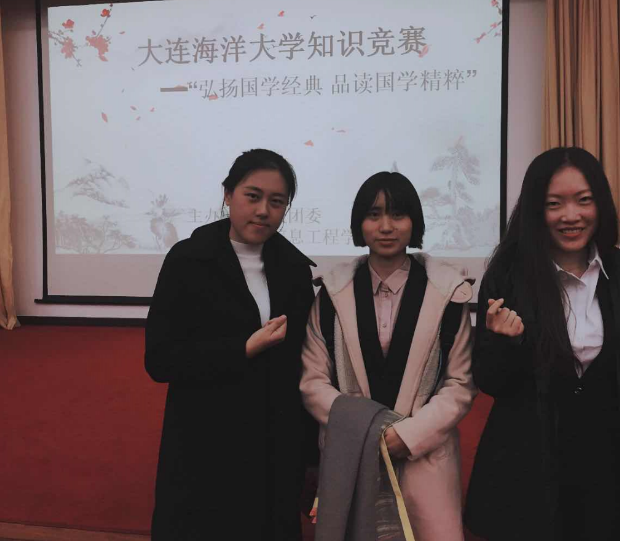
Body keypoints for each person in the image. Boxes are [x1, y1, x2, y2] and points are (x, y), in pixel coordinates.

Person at [463, 147, 620, 541]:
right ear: (535, 210)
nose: (570, 216)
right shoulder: (507, 276)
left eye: (583, 200)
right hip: (527, 474)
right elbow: (490, 382)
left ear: (601, 204)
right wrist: (506, 343)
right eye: (554, 204)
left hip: (610, 471)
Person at [144, 149, 316, 540]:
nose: (263, 211)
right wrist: (242, 349)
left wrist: (311, 455)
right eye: (252, 196)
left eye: (277, 202)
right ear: (227, 194)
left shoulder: (293, 268)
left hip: (274, 446)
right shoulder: (188, 260)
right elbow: (160, 359)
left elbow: (304, 366)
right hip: (205, 444)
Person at [300, 172, 478, 541]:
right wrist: (368, 432)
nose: (385, 226)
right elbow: (313, 381)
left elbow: (460, 383)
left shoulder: (447, 292)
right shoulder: (332, 293)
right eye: (373, 214)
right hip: (351, 455)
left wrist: (408, 435)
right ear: (359, 223)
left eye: (397, 214)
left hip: (424, 456)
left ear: (415, 221)